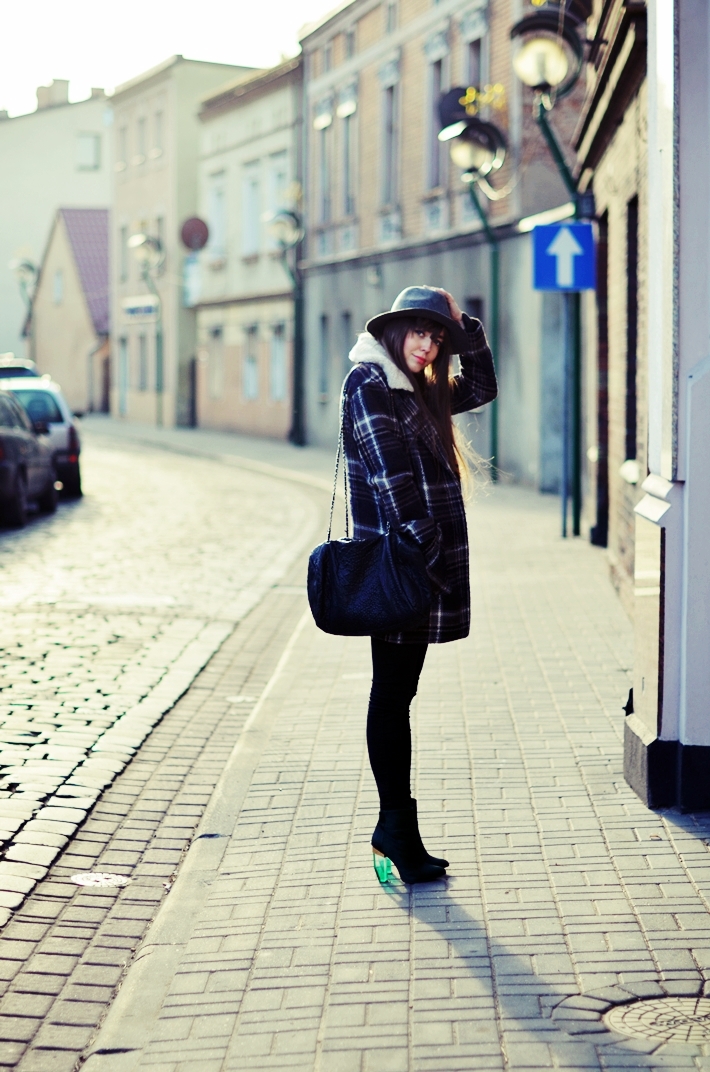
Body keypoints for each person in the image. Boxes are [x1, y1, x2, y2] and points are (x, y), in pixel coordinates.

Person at [342, 285, 498, 883]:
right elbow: (389, 477)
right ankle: (395, 830)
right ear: (394, 330)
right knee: (391, 694)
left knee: (398, 694)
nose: (428, 346)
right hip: (402, 564)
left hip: (418, 562)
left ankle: (398, 830)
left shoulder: (417, 388)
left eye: (437, 337)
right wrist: (424, 547)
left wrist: (467, 329)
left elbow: (481, 388)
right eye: (420, 332)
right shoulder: (369, 382)